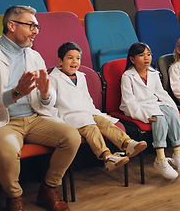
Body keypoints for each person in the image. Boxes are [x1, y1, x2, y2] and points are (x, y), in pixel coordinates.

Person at [0, 5, 80, 211]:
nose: (36, 31)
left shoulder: (34, 56)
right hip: (3, 122)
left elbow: (47, 99)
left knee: (71, 137)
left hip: (34, 117)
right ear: (11, 25)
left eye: (37, 26)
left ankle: (48, 189)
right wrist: (15, 94)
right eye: (31, 25)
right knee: (7, 151)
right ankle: (14, 197)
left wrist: (46, 94)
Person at [49, 42, 147, 172]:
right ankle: (107, 157)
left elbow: (87, 100)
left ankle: (127, 144)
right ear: (60, 61)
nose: (75, 61)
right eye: (70, 58)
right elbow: (50, 104)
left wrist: (98, 113)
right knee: (91, 128)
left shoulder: (81, 77)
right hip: (70, 117)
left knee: (105, 123)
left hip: (87, 112)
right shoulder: (52, 78)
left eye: (78, 58)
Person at [119, 42, 180, 180]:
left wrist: (172, 107)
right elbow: (129, 102)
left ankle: (177, 154)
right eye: (141, 55)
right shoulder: (127, 76)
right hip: (140, 107)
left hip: (155, 103)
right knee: (159, 118)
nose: (147, 58)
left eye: (149, 55)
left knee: (173, 115)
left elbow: (160, 92)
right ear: (132, 59)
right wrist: (143, 116)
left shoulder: (153, 72)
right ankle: (160, 159)